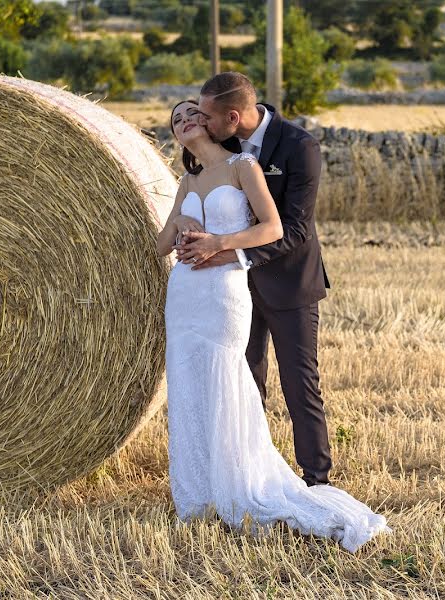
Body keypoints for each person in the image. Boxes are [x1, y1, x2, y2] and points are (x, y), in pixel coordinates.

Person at [156, 99, 391, 553]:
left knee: (238, 380)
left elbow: (276, 227)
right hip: (185, 295)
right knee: (190, 387)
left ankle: (252, 481)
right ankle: (200, 492)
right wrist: (181, 218)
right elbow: (160, 245)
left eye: (192, 114)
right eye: (177, 119)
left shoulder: (244, 165)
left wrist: (220, 244)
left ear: (212, 122)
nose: (185, 122)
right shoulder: (187, 178)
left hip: (225, 288)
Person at [175, 72, 333, 489]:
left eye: (206, 116)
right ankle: (250, 475)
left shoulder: (300, 147)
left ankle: (317, 479)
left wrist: (231, 251)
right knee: (244, 382)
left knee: (300, 384)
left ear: (232, 116)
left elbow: (295, 229)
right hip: (230, 290)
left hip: (288, 284)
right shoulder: (223, 144)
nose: (201, 123)